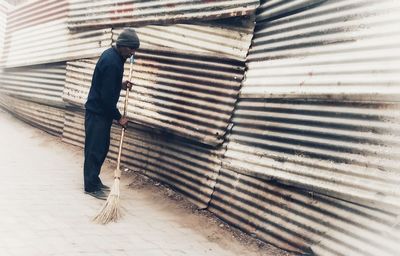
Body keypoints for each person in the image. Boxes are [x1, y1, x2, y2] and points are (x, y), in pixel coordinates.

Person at [83, 28, 140, 200]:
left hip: (101, 113)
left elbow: (107, 83)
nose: (133, 53)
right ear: (122, 46)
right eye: (131, 49)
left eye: (134, 49)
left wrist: (120, 84)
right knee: (95, 150)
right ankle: (91, 186)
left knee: (101, 147)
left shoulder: (115, 57)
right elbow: (107, 97)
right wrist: (119, 118)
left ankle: (94, 179)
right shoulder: (112, 62)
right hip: (98, 113)